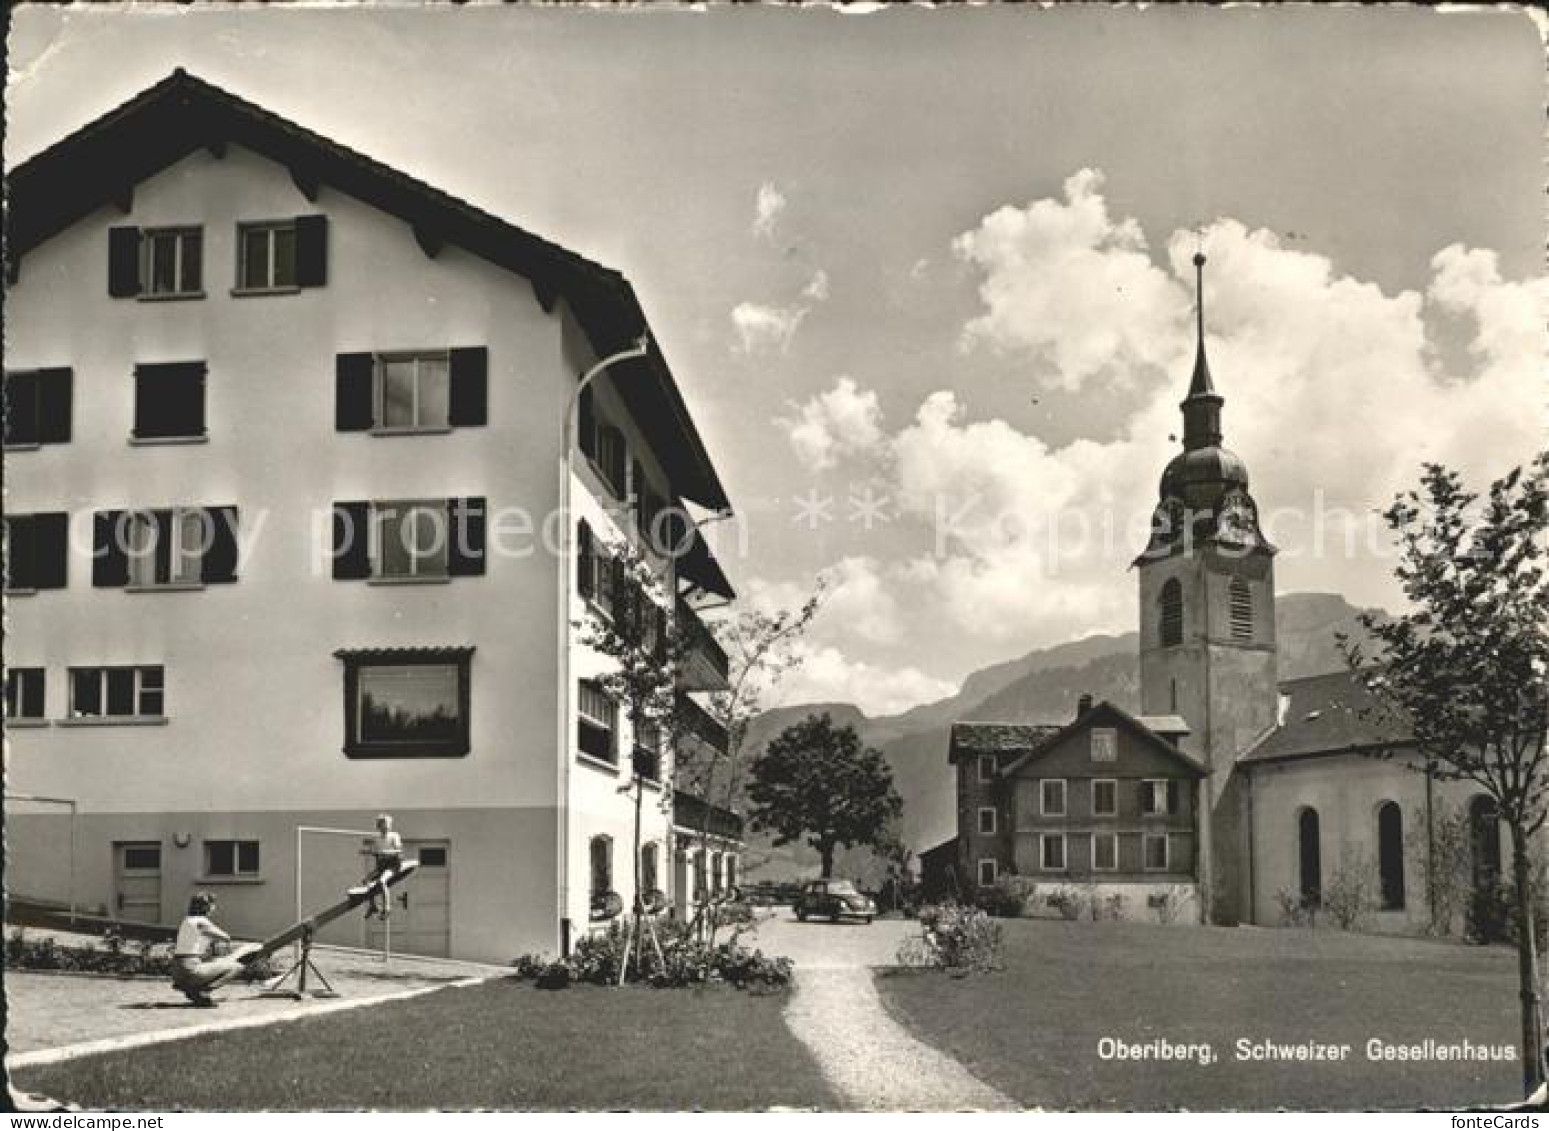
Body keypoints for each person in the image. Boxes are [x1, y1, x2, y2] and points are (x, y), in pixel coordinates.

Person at [171, 892, 247, 1006]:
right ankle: (202, 991)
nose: (214, 908)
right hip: (190, 969)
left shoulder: (187, 920)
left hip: (177, 970)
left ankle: (192, 990)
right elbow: (225, 937)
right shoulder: (201, 921)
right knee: (238, 966)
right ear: (206, 907)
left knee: (216, 961)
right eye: (212, 905)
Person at [360, 813, 403, 920]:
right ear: (379, 826)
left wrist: (386, 851)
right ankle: (372, 906)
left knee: (382, 881)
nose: (387, 827)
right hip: (382, 865)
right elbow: (375, 852)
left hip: (393, 864)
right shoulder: (377, 838)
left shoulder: (394, 835)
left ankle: (387, 908)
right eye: (384, 824)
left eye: (388, 824)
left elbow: (398, 850)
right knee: (366, 881)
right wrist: (367, 852)